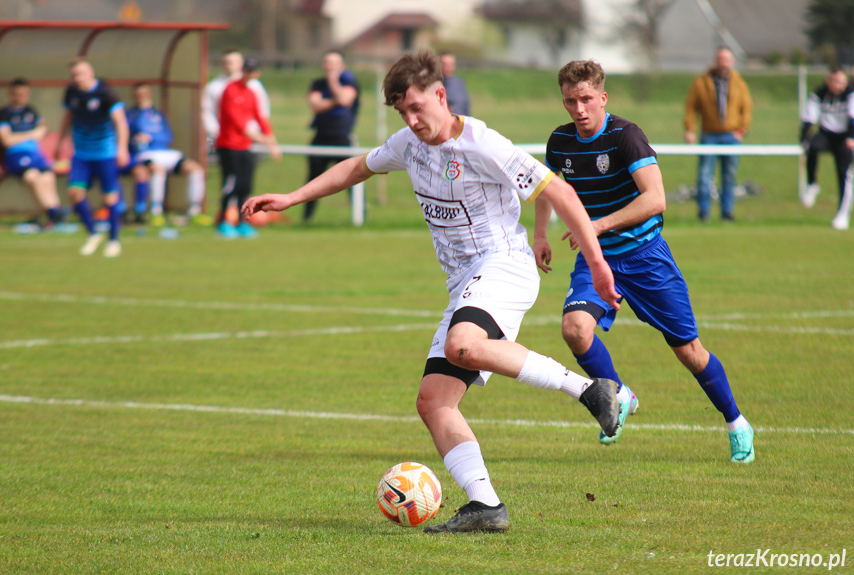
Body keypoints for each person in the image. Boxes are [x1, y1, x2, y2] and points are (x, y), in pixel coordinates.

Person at [242, 50, 623, 534]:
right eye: (402, 111)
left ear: (441, 96)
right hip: (466, 283)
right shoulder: (408, 144)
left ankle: (590, 389)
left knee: (462, 345)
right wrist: (291, 198)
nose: (411, 119)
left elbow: (561, 194)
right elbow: (357, 168)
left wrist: (597, 264)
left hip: (504, 266)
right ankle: (486, 505)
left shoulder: (484, 143)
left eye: (418, 107)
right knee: (433, 401)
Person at [534, 59, 754, 464]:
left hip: (645, 257)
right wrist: (541, 234)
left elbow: (655, 199)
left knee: (689, 351)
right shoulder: (560, 142)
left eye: (586, 99)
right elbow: (551, 190)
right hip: (595, 258)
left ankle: (736, 422)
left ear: (602, 97)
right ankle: (618, 394)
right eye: (570, 101)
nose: (579, 109)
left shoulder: (626, 136)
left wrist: (597, 224)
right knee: (575, 330)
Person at [55, 58, 129, 257]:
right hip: (81, 154)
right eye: (74, 75)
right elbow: (68, 116)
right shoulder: (72, 92)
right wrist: (61, 141)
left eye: (80, 74)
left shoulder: (106, 93)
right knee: (74, 193)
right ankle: (93, 233)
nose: (77, 78)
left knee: (110, 197)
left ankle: (113, 240)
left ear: (91, 73)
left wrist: (122, 149)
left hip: (105, 153)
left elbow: (121, 122)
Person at [684, 47, 753, 222]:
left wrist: (742, 129)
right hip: (709, 134)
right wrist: (689, 129)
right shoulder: (702, 82)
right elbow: (691, 107)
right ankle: (704, 212)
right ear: (715, 61)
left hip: (731, 135)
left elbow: (746, 108)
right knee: (704, 174)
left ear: (732, 62)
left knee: (729, 175)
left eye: (726, 60)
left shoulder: (739, 83)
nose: (723, 63)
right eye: (720, 59)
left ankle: (727, 211)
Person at [215, 57, 281, 239]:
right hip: (228, 145)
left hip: (245, 146)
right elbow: (237, 122)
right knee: (230, 185)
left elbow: (260, 118)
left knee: (245, 185)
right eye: (247, 70)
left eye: (253, 71)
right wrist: (260, 138)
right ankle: (224, 222)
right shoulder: (230, 90)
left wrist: (273, 143)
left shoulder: (251, 93)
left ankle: (243, 222)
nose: (249, 74)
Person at [125, 83, 207, 226]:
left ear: (149, 94)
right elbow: (123, 137)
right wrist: (135, 139)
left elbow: (168, 137)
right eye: (138, 95)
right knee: (158, 169)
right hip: (144, 154)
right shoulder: (130, 115)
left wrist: (151, 137)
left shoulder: (159, 115)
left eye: (144, 94)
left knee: (196, 169)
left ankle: (195, 211)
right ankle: (156, 212)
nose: (141, 97)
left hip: (164, 152)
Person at [0, 78, 67, 230]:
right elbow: (6, 140)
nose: (20, 97)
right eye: (17, 94)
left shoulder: (30, 111)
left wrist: (39, 130)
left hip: (35, 154)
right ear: (10, 94)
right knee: (32, 176)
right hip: (15, 155)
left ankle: (48, 215)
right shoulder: (3, 114)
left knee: (48, 176)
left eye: (23, 94)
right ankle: (54, 214)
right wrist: (32, 134)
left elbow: (44, 126)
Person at [302, 50, 360, 222]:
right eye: (327, 63)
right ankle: (307, 218)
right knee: (313, 179)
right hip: (320, 136)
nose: (330, 67)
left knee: (352, 177)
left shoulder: (349, 81)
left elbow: (345, 100)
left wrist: (333, 82)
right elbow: (316, 106)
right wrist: (336, 99)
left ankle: (360, 216)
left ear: (342, 66)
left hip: (341, 137)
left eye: (334, 64)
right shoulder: (317, 84)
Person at [799, 66, 854, 231]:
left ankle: (842, 213)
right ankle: (812, 184)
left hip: (844, 137)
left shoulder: (850, 94)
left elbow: (853, 117)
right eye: (831, 80)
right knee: (813, 147)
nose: (834, 84)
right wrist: (803, 138)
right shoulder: (819, 93)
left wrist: (851, 137)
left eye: (838, 81)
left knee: (843, 173)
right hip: (826, 134)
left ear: (845, 81)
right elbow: (809, 118)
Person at [201, 48, 270, 145]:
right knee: (212, 156)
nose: (230, 65)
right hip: (221, 137)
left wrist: (252, 131)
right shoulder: (213, 87)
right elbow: (206, 112)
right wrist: (215, 131)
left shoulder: (253, 85)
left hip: (249, 136)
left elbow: (262, 110)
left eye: (234, 62)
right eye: (227, 62)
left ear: (241, 63)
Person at [439, 52, 471, 116]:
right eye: (445, 64)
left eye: (451, 64)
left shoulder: (459, 83)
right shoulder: (433, 84)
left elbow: (465, 106)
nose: (449, 68)